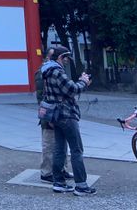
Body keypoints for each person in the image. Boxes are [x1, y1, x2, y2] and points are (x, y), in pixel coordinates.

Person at [43, 44, 95, 196]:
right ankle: (81, 186)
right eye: (65, 58)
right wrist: (84, 82)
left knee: (59, 149)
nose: (66, 61)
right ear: (60, 57)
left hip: (55, 115)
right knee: (77, 149)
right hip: (66, 114)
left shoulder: (46, 70)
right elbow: (71, 89)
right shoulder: (57, 71)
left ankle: (58, 182)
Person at [36, 47, 72, 183]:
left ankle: (62, 168)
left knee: (63, 142)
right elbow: (41, 96)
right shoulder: (42, 73)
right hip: (49, 111)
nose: (66, 60)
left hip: (60, 111)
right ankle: (46, 171)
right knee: (49, 143)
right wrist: (47, 116)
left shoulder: (58, 70)